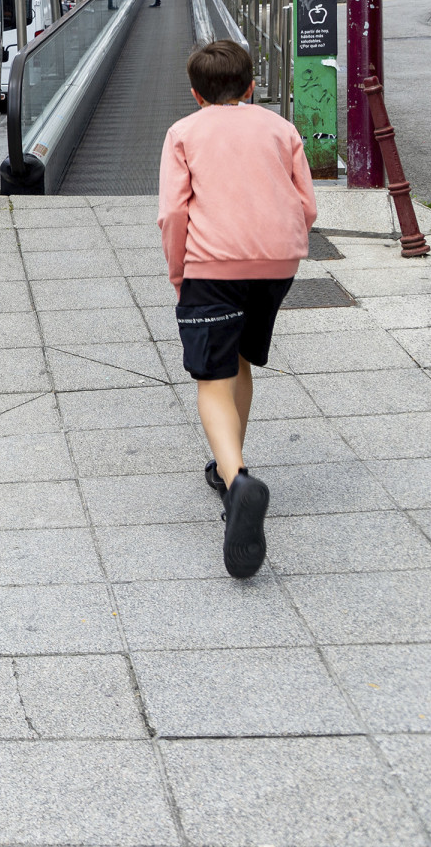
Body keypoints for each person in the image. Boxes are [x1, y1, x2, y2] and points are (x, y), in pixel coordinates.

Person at [158, 40, 316, 579]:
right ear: (251, 86)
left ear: (196, 94)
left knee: (211, 379)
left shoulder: (183, 133)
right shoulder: (281, 129)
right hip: (278, 264)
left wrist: (180, 271)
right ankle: (229, 467)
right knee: (243, 360)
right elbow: (307, 204)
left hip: (213, 267)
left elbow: (174, 215)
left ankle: (237, 479)